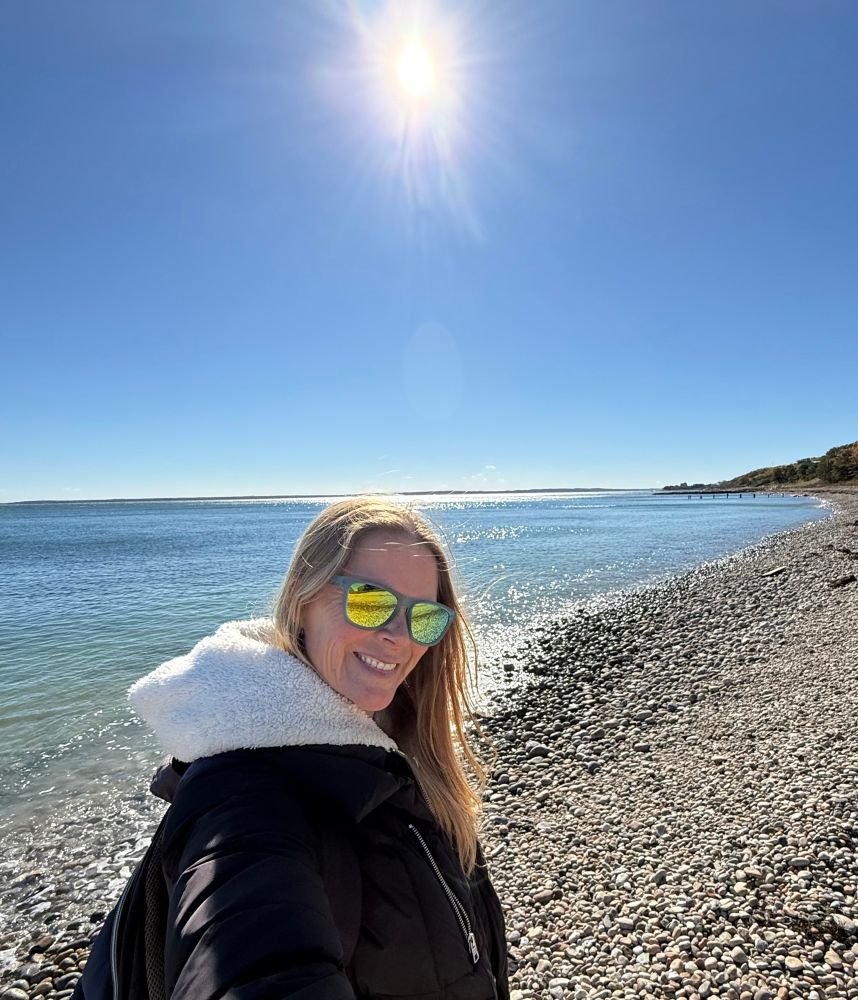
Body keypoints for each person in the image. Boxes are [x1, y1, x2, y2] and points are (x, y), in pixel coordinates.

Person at [123, 496, 508, 999]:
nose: (399, 637)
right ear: (302, 600)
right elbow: (253, 960)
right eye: (370, 602)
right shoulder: (242, 795)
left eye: (425, 618)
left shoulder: (396, 753)